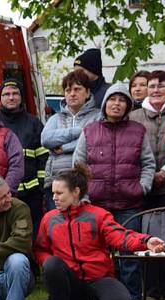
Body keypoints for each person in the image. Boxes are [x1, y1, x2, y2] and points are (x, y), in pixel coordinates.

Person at [35, 163, 165, 300]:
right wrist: (49, 265)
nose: (54, 197)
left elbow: (121, 236)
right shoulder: (49, 219)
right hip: (69, 281)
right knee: (51, 264)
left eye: (59, 193)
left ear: (75, 192)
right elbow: (40, 249)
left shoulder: (98, 215)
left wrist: (146, 241)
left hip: (98, 278)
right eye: (53, 193)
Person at [73, 83, 155, 300]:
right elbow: (78, 164)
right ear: (105, 103)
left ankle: (132, 297)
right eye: (112, 99)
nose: (116, 104)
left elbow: (148, 163)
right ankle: (98, 298)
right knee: (97, 254)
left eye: (122, 100)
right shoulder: (89, 130)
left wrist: (143, 187)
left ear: (128, 106)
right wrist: (84, 194)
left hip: (129, 202)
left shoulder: (138, 130)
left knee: (129, 252)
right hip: (96, 204)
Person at [129, 70, 165, 300]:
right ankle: (151, 290)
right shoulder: (135, 116)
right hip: (144, 185)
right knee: (146, 236)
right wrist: (147, 175)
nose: (155, 90)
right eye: (151, 86)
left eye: (161, 86)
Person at [41, 71, 99, 212]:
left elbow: (94, 142)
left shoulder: (98, 116)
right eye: (68, 90)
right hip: (56, 183)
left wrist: (65, 147)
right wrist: (79, 131)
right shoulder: (55, 118)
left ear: (87, 92)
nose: (72, 93)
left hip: (86, 185)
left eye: (77, 89)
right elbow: (46, 139)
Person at [0, 78, 48, 238]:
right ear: (0, 98)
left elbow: (43, 157)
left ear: (21, 97)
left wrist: (41, 187)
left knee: (32, 237)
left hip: (31, 195)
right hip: (2, 195)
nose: (11, 97)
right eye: (6, 94)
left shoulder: (33, 123)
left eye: (15, 93)